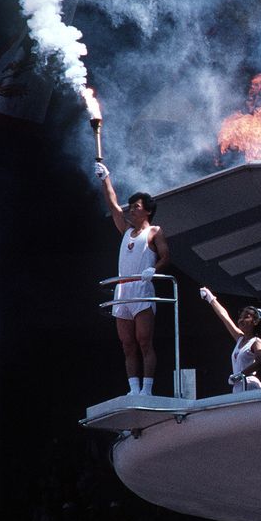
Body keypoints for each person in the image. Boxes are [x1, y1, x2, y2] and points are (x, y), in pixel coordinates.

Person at [95, 162, 170, 395]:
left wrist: (153, 270)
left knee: (144, 341)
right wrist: (105, 178)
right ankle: (133, 389)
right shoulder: (126, 230)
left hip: (142, 288)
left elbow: (166, 256)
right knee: (127, 344)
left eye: (136, 207)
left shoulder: (154, 231)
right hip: (123, 291)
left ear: (147, 210)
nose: (132, 210)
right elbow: (114, 206)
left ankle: (147, 388)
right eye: (132, 206)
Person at [198, 287, 261, 392]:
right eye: (240, 317)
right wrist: (211, 298)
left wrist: (241, 374)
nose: (241, 320)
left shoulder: (256, 341)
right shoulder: (239, 338)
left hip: (249, 384)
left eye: (246, 317)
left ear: (255, 322)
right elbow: (224, 317)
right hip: (238, 386)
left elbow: (260, 362)